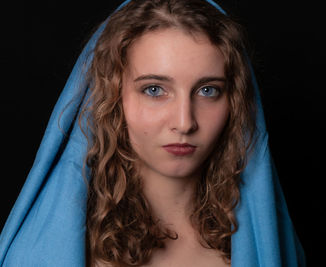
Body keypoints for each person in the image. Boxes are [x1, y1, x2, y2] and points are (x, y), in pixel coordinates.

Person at [0, 0, 306, 266]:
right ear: (112, 97)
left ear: (235, 103)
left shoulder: (269, 243)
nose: (185, 122)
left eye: (208, 90)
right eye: (155, 89)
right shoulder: (47, 251)